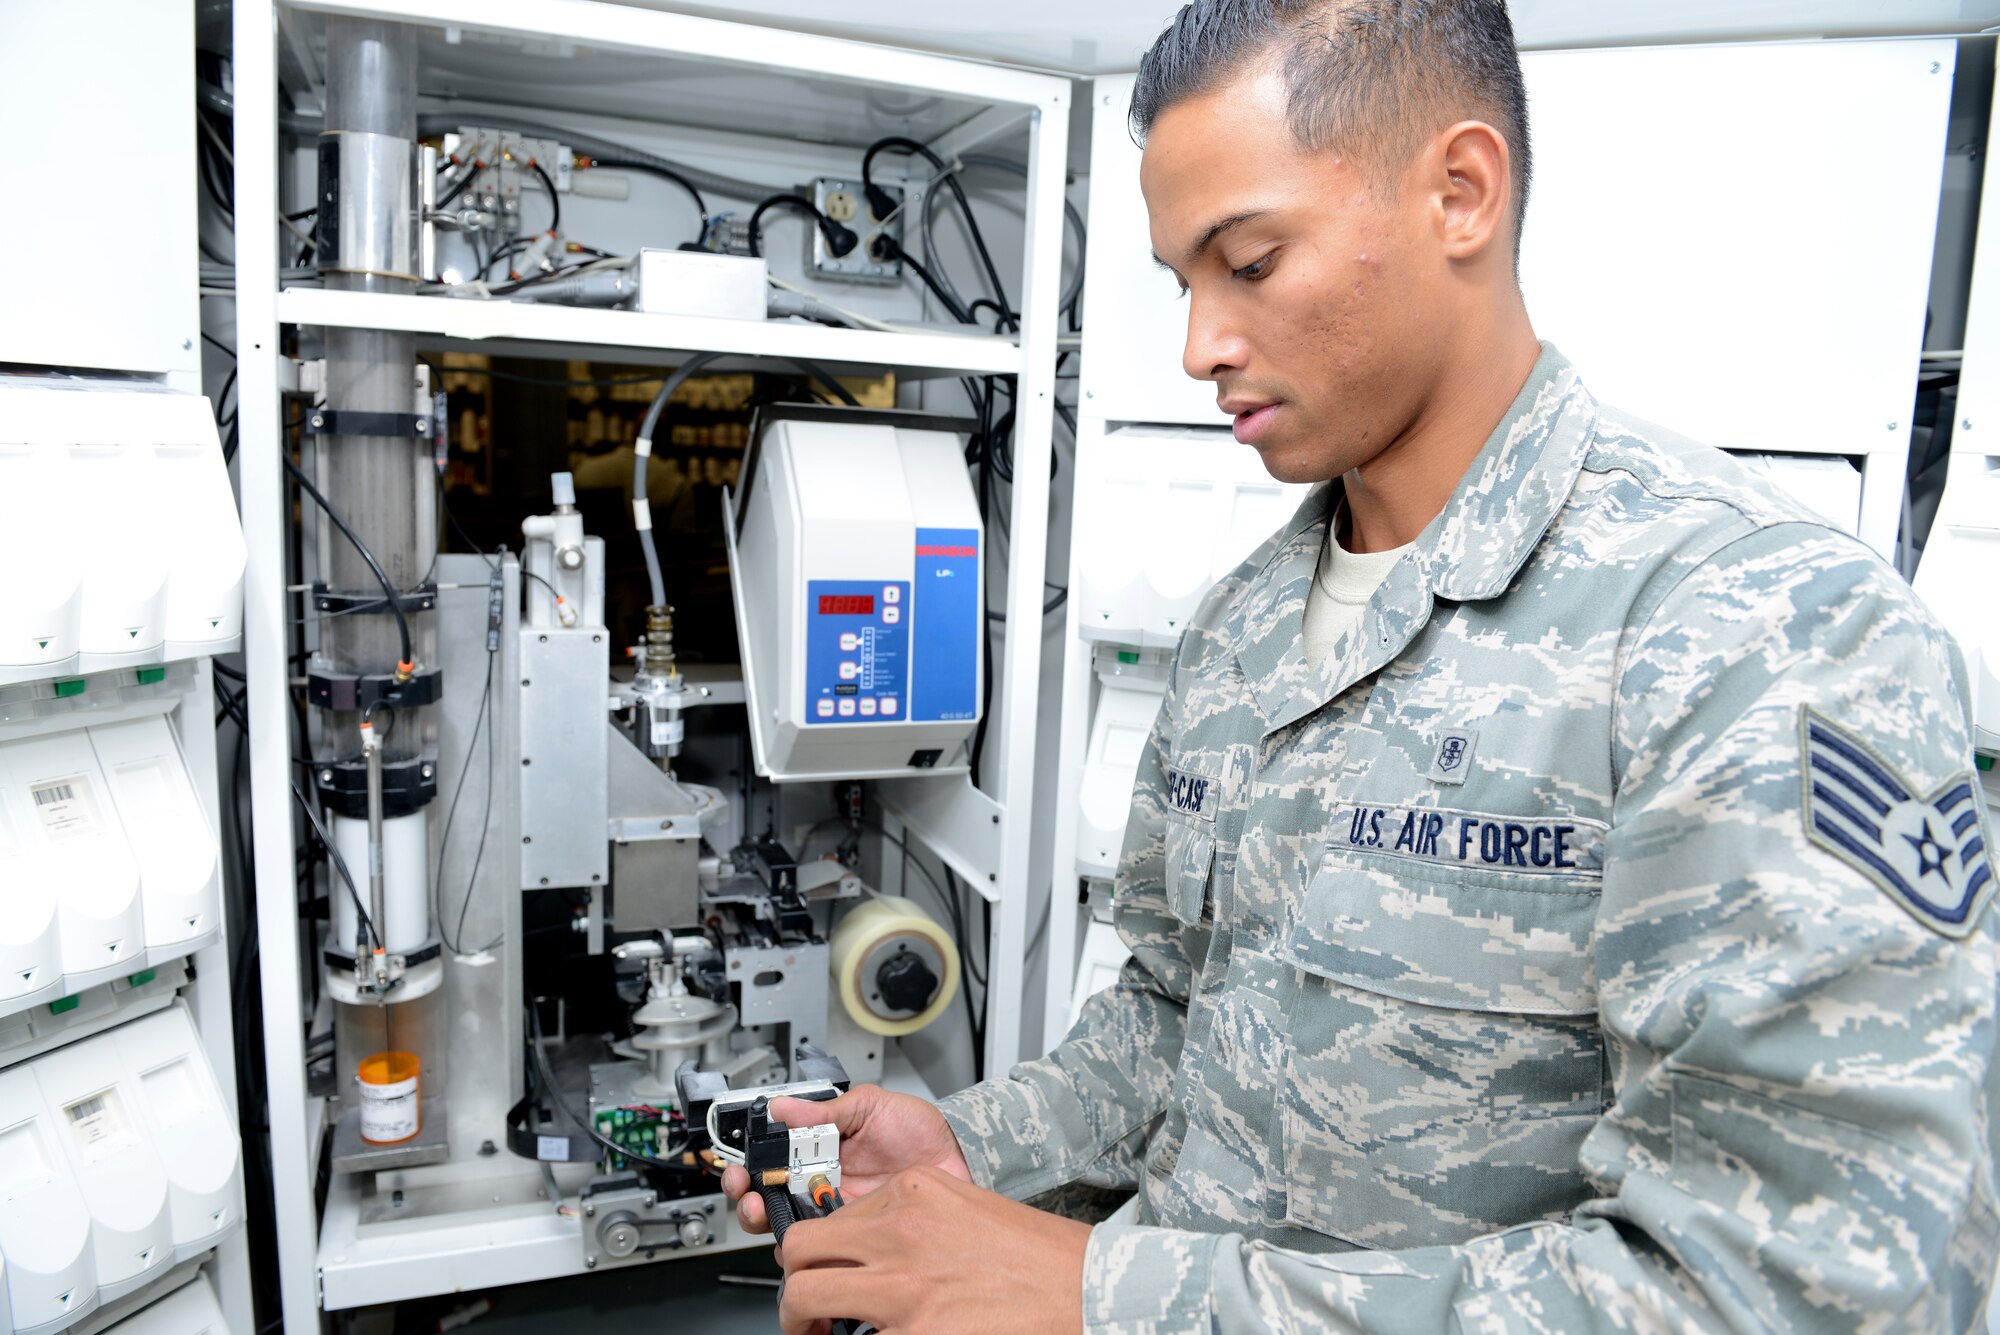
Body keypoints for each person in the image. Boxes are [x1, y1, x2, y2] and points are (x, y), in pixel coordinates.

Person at [725, 2, 2000, 1330]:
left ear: (1460, 192)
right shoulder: (1244, 628)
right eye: (1183, 283)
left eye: (1253, 262)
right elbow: (1175, 1018)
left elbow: (1818, 1289)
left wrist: (1109, 1293)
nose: (1199, 345)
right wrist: (974, 1153)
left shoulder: (1757, 628)